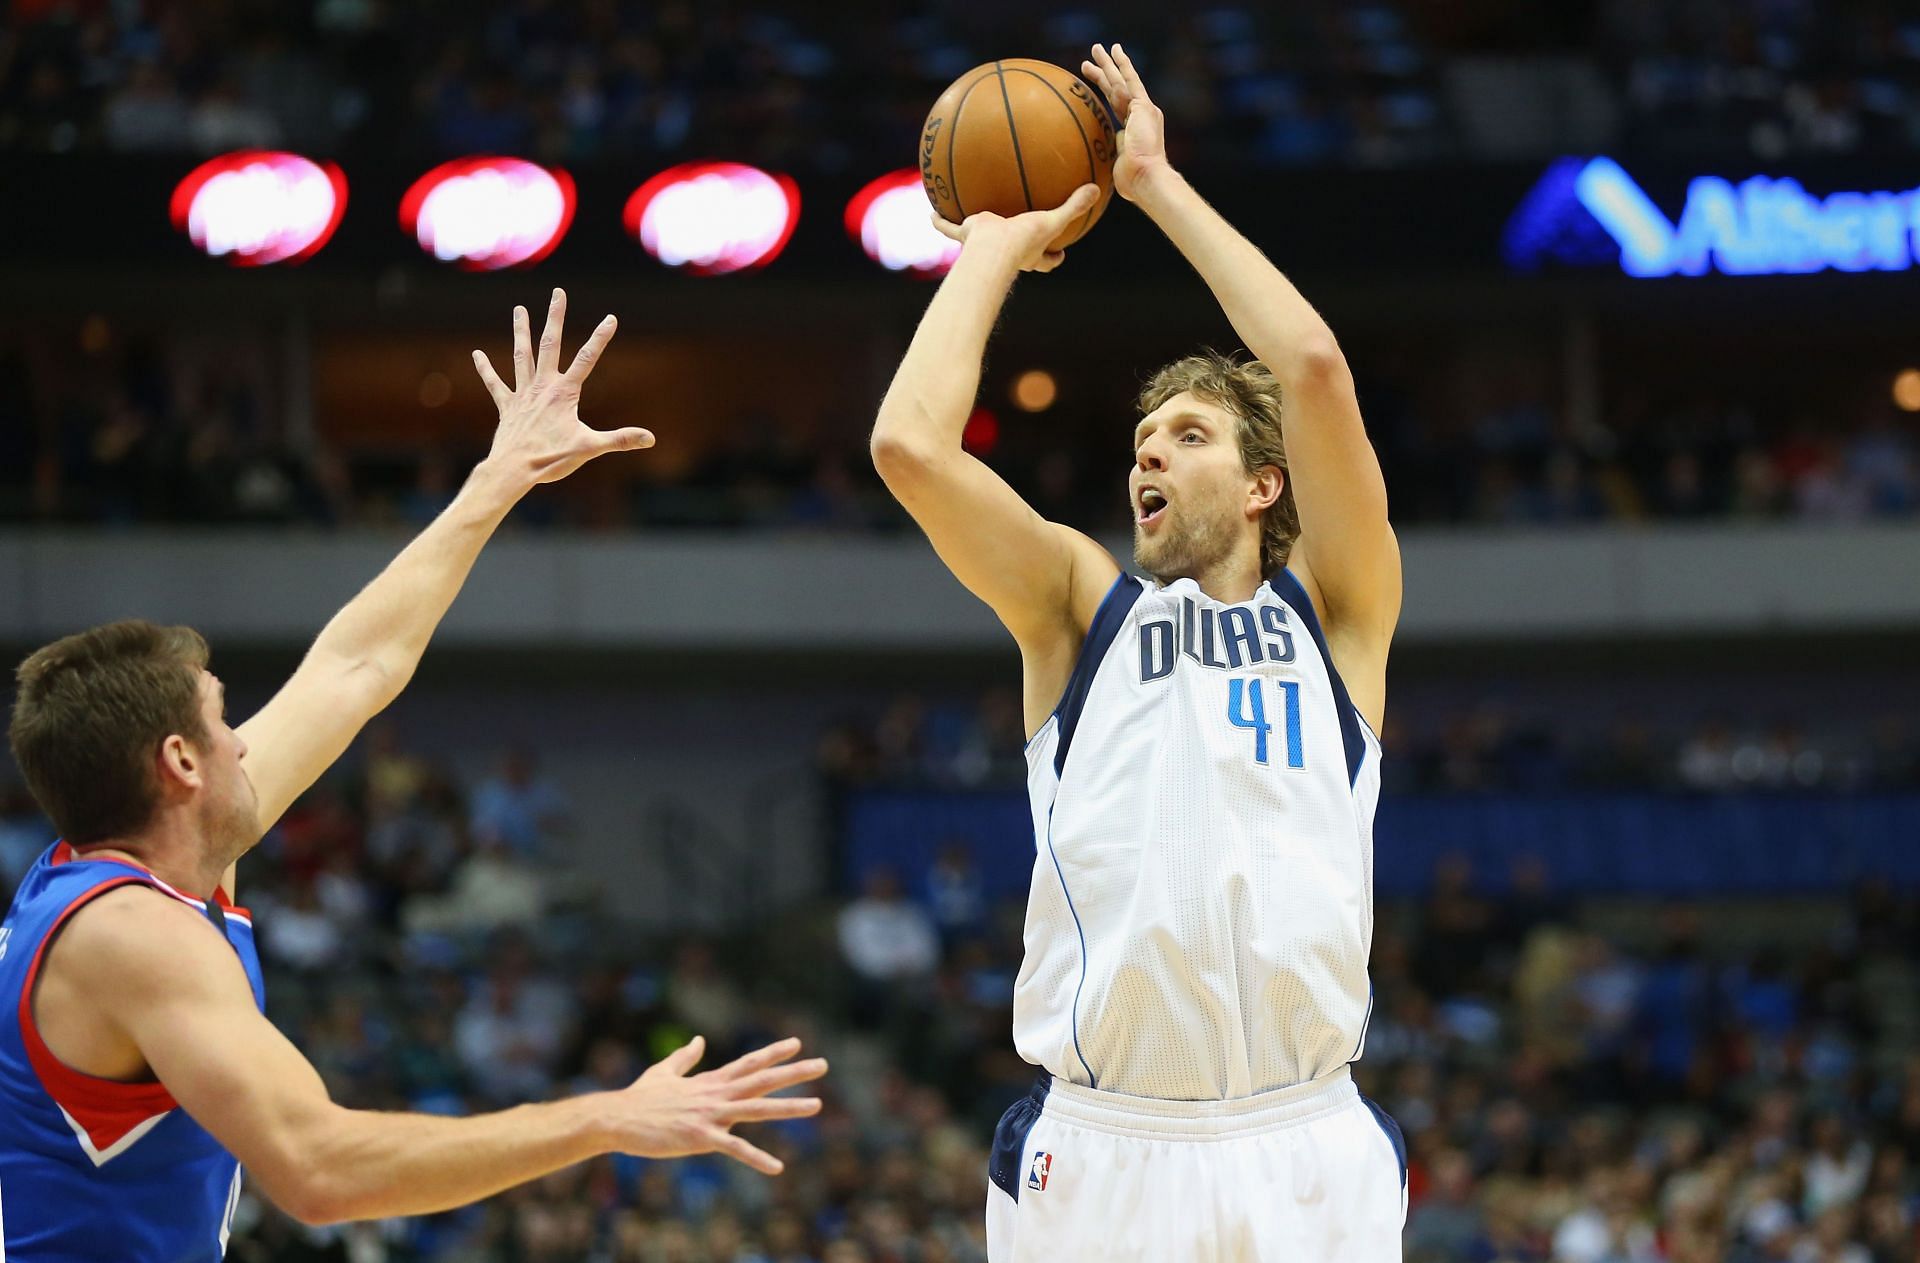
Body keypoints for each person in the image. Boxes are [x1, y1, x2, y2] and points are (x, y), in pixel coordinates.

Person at [0, 291, 826, 1260]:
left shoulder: (155, 872)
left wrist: (498, 478)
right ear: (178, 763)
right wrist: (603, 1118)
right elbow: (320, 1169)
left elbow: (355, 667)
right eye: (223, 721)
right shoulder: (132, 934)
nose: (243, 741)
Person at [870, 44, 1404, 1261]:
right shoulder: (1078, 606)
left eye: (1189, 434)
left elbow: (1314, 370)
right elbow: (909, 446)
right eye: (1142, 439)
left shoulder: (1339, 612)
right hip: (1106, 1146)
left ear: (1267, 483)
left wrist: (1155, 186)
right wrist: (992, 248)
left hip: (1308, 1139)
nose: (1147, 456)